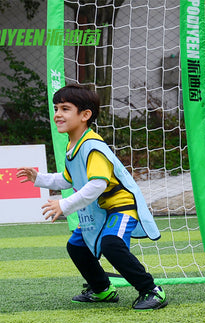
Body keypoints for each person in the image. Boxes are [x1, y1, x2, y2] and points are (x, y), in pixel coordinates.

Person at [16, 83, 167, 310]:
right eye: (56, 108)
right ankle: (102, 290)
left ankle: (151, 289)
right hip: (100, 211)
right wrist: (38, 178)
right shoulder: (73, 145)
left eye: (65, 108)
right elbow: (68, 179)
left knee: (111, 243)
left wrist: (64, 204)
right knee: (76, 247)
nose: (57, 114)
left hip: (121, 207)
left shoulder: (92, 146)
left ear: (85, 115)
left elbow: (97, 185)